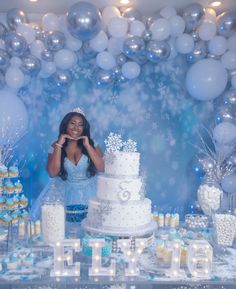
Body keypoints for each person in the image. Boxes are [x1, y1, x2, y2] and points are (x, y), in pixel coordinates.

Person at [30, 108, 104, 220]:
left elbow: (102, 168)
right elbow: (52, 173)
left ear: (84, 128)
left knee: (92, 225)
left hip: (91, 192)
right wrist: (59, 145)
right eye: (72, 123)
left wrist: (88, 146)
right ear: (66, 125)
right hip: (67, 193)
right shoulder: (55, 145)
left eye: (80, 124)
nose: (76, 128)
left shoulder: (92, 143)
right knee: (68, 227)